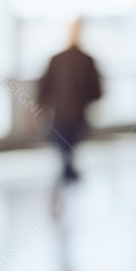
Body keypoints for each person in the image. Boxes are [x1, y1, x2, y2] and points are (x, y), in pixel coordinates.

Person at [37, 17, 103, 182]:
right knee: (67, 143)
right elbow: (97, 91)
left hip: (69, 113)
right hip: (69, 113)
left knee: (68, 144)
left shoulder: (67, 59)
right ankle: (67, 169)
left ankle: (67, 169)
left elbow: (45, 87)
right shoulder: (82, 60)